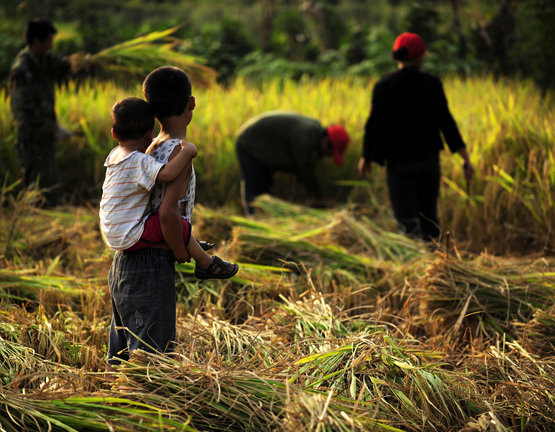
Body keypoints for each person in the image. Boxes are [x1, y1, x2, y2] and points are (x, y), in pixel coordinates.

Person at [104, 97, 238, 369]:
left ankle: (113, 406)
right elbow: (167, 205)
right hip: (141, 251)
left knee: (120, 360)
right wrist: (188, 152)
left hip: (120, 254)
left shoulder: (115, 157)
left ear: (114, 134)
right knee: (151, 365)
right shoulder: (142, 159)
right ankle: (205, 263)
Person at [358, 32, 475, 242]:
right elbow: (446, 122)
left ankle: (414, 269)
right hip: (428, 163)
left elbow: (373, 125)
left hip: (399, 165)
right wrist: (465, 157)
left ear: (398, 57)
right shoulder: (431, 83)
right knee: (429, 218)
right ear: (420, 57)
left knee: (407, 224)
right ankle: (436, 264)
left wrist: (365, 156)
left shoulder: (384, 86)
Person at [234, 110, 350, 214]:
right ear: (326, 141)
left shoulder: (314, 134)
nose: (327, 156)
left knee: (265, 190)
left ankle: (262, 218)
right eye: (330, 152)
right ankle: (253, 222)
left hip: (264, 149)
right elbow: (305, 170)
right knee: (257, 192)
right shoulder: (305, 136)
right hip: (249, 144)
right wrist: (319, 196)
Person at [9, 19, 72, 205]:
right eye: (49, 42)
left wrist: (83, 63)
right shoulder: (23, 69)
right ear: (36, 41)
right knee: (36, 196)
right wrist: (53, 129)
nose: (51, 46)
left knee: (49, 190)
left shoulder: (42, 60)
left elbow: (62, 66)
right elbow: (24, 113)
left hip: (45, 142)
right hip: (31, 142)